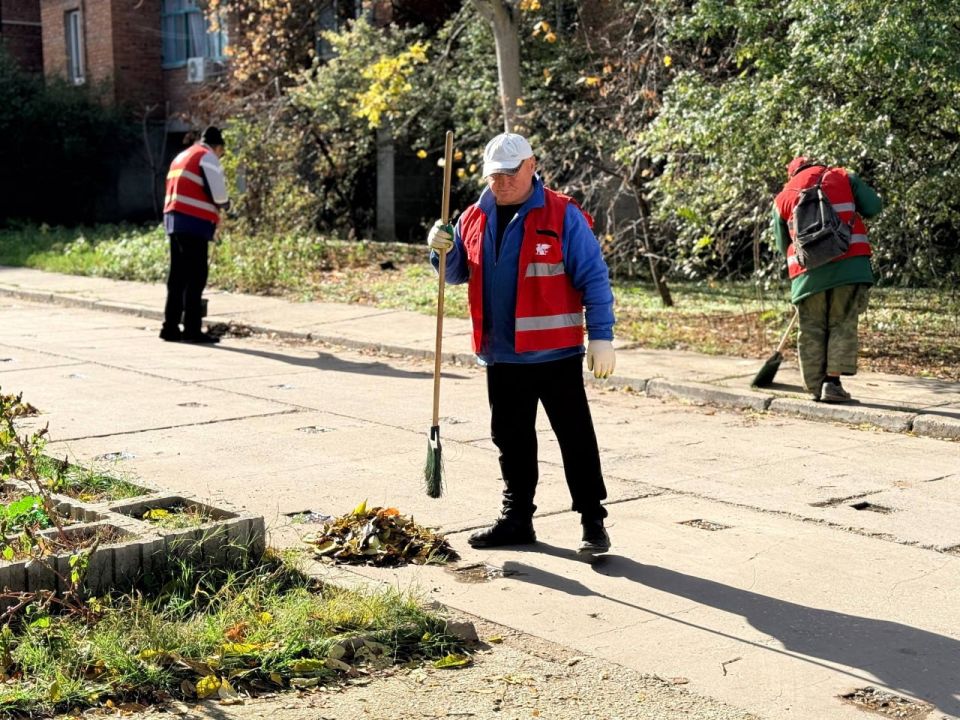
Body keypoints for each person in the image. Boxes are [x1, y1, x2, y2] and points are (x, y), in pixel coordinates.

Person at [427, 132, 616, 554]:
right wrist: (440, 250)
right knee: (510, 440)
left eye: (511, 173)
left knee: (575, 438)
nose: (502, 182)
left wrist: (601, 336)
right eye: (494, 175)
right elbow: (455, 274)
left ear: (531, 166)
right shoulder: (473, 217)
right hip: (502, 354)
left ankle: (592, 521)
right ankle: (517, 520)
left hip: (555, 354)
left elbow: (594, 277)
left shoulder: (562, 214)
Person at [772, 156, 883, 402]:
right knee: (841, 322)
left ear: (792, 174)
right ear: (818, 164)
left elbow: (782, 244)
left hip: (807, 275)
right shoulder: (844, 177)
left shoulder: (782, 197)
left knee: (810, 328)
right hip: (849, 266)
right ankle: (832, 384)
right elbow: (874, 207)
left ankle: (814, 388)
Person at [160, 125, 230, 344]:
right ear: (217, 146)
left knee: (177, 276)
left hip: (174, 220)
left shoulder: (181, 156)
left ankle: (170, 328)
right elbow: (219, 195)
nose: (221, 156)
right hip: (193, 222)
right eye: (222, 152)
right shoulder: (207, 156)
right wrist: (227, 205)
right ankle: (192, 329)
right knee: (196, 276)